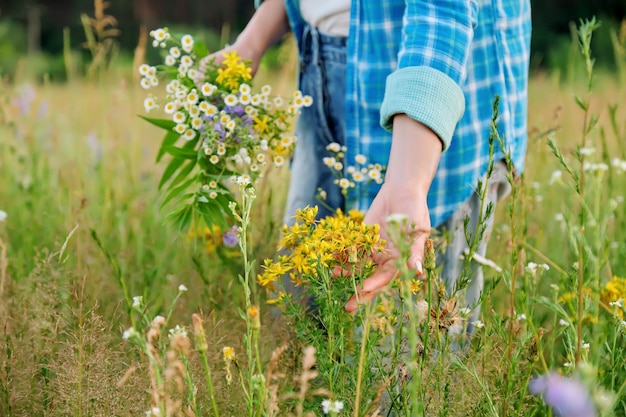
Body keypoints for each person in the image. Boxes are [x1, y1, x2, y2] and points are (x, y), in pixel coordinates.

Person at [342, 0, 532, 329]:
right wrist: (252, 43)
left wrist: (408, 182)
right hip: (334, 86)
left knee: (410, 361)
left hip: (433, 137)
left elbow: (443, 10)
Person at [198, 0, 350, 225]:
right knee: (301, 245)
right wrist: (251, 42)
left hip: (386, 66)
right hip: (314, 55)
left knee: (381, 245)